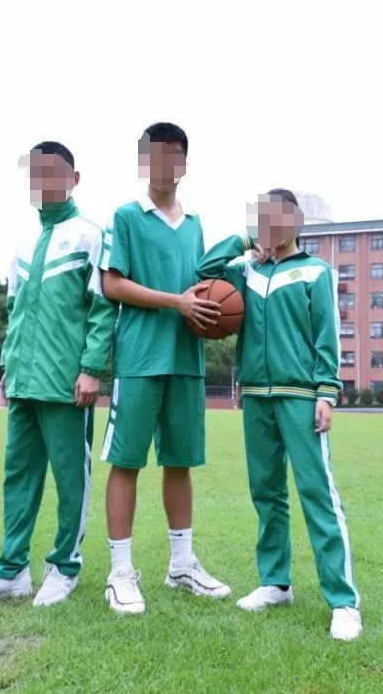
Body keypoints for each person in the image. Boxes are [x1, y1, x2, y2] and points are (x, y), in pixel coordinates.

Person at [0, 141, 114, 608]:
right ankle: (10, 571)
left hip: (67, 384)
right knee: (18, 475)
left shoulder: (90, 235)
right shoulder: (23, 243)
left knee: (71, 478)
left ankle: (64, 566)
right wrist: (8, 363)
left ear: (73, 179)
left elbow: (102, 308)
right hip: (23, 380)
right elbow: (14, 309)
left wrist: (91, 369)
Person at [197, 188, 361, 641]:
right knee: (266, 492)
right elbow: (203, 270)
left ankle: (343, 602)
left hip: (301, 396)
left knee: (317, 493)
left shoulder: (316, 272)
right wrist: (244, 241)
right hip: (256, 396)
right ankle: (275, 583)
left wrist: (326, 392)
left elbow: (327, 336)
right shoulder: (246, 271)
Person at [98, 122, 229, 615]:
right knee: (126, 462)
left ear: (184, 164)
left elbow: (205, 286)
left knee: (180, 461)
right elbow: (112, 284)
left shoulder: (195, 224)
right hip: (139, 357)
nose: (163, 165)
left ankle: (181, 565)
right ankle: (120, 572)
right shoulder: (126, 216)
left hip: (186, 359)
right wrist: (176, 301)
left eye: (172, 155)